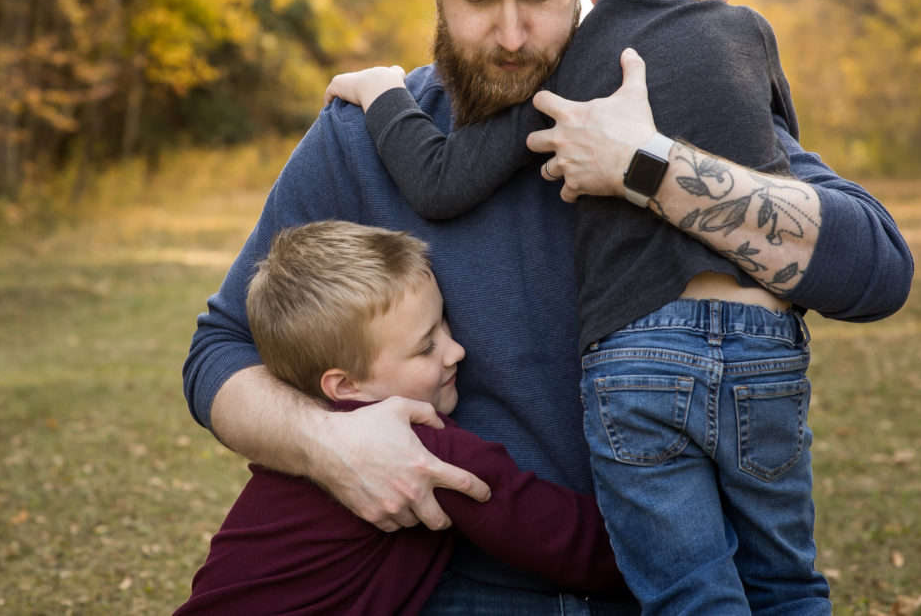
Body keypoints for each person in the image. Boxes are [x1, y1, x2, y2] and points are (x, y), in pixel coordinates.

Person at [183, 0, 914, 614]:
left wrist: (652, 167)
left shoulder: (660, 107)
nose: (509, 34)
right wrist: (328, 444)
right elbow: (218, 352)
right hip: (454, 587)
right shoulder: (366, 136)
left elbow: (876, 267)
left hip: (665, 585)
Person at [326, 0, 829, 614]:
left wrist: (382, 93)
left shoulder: (579, 74)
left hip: (641, 354)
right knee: (786, 581)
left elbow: (440, 181)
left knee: (694, 589)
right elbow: (784, 165)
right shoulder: (751, 34)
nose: (513, 32)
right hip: (764, 341)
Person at [174, 221, 624, 615]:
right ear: (346, 386)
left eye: (445, 323)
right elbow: (565, 540)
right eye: (426, 346)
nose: (456, 350)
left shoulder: (306, 435)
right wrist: (672, 536)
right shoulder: (419, 446)